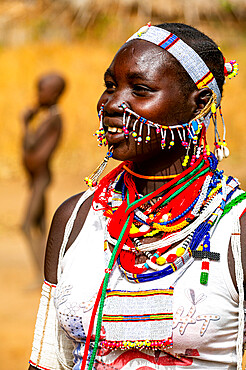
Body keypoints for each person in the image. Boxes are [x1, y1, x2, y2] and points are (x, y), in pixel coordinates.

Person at [28, 23, 246, 370]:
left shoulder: (235, 226)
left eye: (140, 90)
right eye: (110, 87)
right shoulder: (76, 218)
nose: (113, 104)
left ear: (199, 103)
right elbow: (48, 359)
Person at [21, 72, 66, 282]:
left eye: (42, 90)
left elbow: (31, 145)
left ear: (54, 93)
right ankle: (44, 273)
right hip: (36, 178)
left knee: (27, 224)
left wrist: (25, 123)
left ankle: (43, 276)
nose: (38, 95)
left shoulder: (53, 119)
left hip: (41, 179)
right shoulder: (48, 118)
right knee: (39, 224)